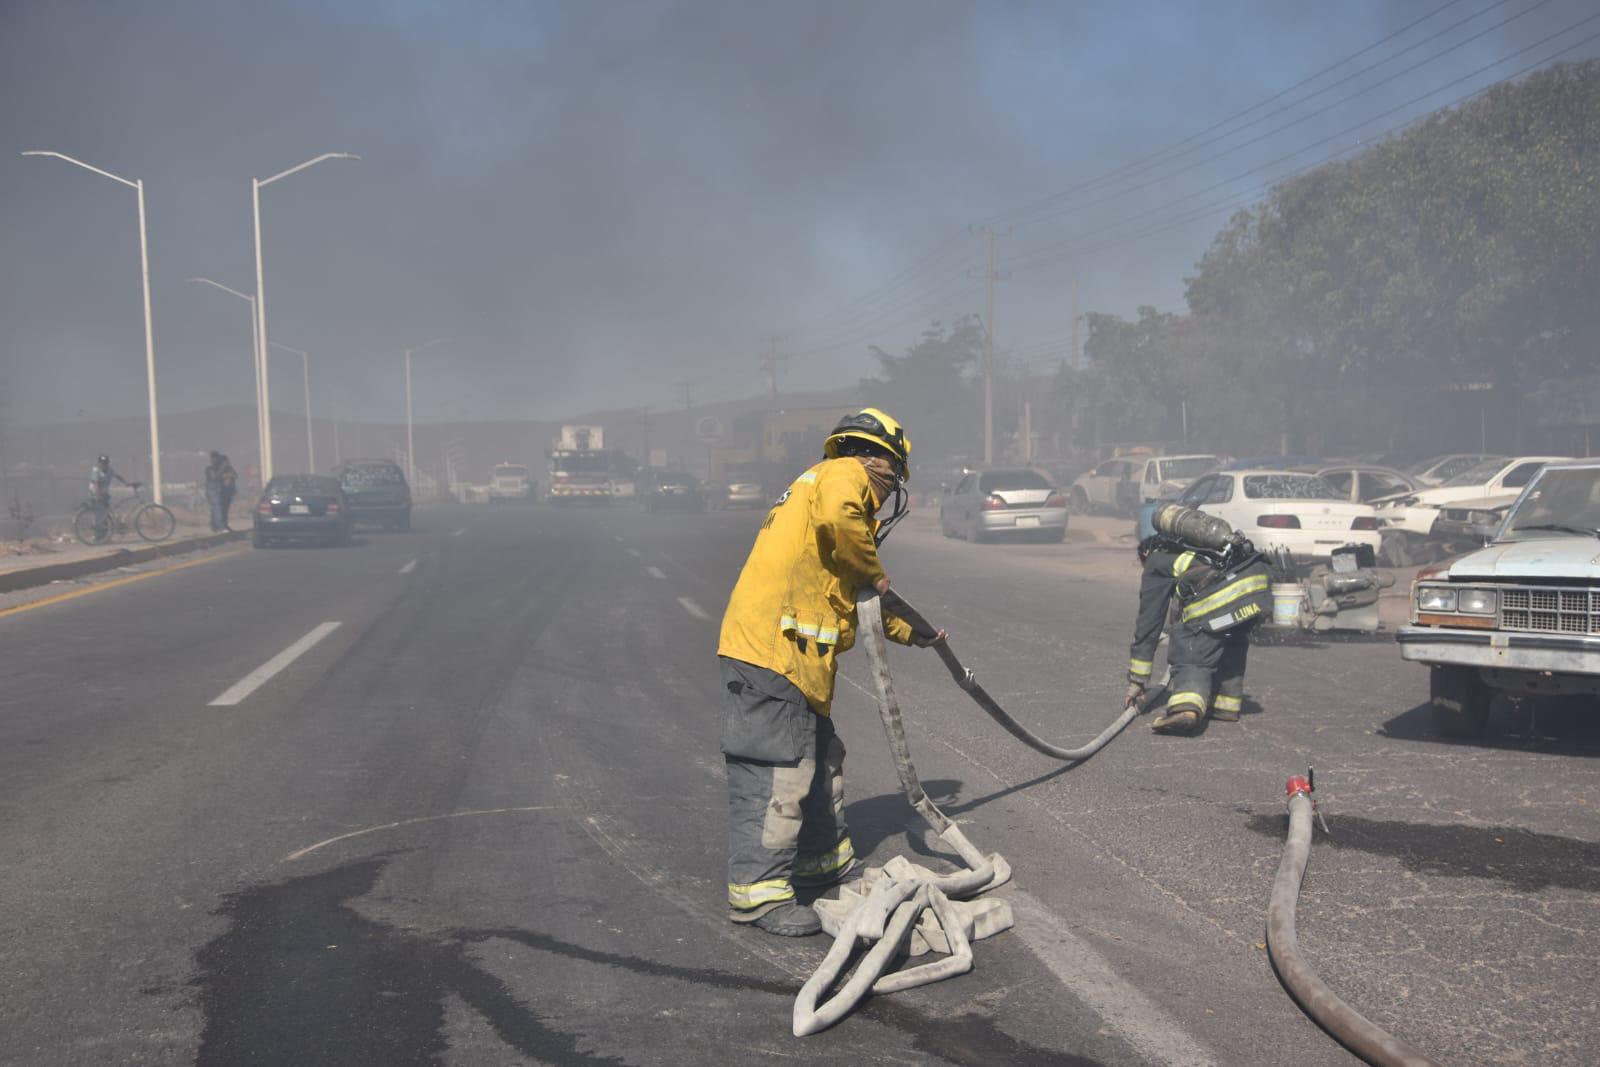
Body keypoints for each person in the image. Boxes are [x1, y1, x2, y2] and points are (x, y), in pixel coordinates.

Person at [717, 407, 946, 937]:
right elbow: (852, 541)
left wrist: (915, 632)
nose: (887, 494)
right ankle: (760, 894)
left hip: (796, 661)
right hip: (773, 653)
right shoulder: (844, 476)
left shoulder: (822, 491)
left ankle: (822, 864)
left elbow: (855, 597)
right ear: (881, 461)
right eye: (893, 478)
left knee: (819, 759)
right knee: (778, 771)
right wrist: (875, 571)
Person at [1125, 506, 1270, 734]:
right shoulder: (1194, 548)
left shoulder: (1155, 560)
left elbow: (1149, 622)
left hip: (1226, 591)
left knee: (1191, 643)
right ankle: (1225, 705)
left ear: (1145, 554)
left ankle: (1185, 710)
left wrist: (1137, 680)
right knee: (1229, 638)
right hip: (1257, 585)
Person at [88, 454, 132, 538]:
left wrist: (126, 483)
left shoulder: (110, 469)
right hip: (95, 493)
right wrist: (98, 496)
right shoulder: (96, 470)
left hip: (104, 494)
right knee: (99, 515)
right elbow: (96, 484)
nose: (103, 465)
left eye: (105, 463)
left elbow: (117, 476)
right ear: (99, 463)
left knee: (106, 514)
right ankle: (97, 536)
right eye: (102, 463)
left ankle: (104, 536)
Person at [205, 451, 238, 532]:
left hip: (226, 492)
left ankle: (223, 525)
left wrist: (229, 468)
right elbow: (214, 477)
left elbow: (235, 476)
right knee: (217, 509)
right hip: (216, 492)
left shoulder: (229, 469)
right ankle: (219, 527)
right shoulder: (210, 469)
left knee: (223, 510)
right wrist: (223, 468)